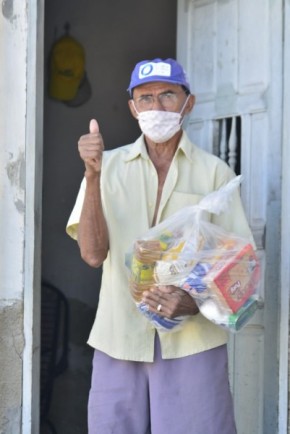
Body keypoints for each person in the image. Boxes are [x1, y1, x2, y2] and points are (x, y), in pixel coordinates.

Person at [66, 58, 254, 434]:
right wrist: (91, 175)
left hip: (192, 341)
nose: (156, 107)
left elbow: (241, 269)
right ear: (133, 108)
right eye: (146, 98)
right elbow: (91, 254)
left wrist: (191, 301)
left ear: (189, 103)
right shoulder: (107, 166)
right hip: (119, 338)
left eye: (168, 95)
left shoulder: (215, 172)